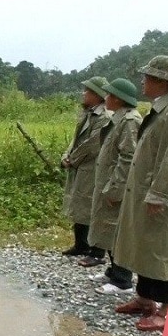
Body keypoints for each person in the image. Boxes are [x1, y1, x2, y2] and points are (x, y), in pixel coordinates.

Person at [112, 55, 168, 331]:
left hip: (162, 193)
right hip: (144, 190)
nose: (142, 82)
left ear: (161, 81)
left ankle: (167, 310)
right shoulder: (161, 109)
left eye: (147, 77)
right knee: (145, 244)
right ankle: (145, 299)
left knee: (163, 248)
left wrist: (160, 194)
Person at [85, 78, 142, 294]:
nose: (105, 98)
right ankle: (113, 270)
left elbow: (127, 158)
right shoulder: (118, 118)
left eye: (108, 95)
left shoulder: (129, 122)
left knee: (117, 230)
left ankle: (122, 280)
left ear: (117, 98)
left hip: (116, 185)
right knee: (108, 228)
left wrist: (116, 188)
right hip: (108, 182)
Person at [60, 76, 112, 259]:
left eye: (88, 91)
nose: (84, 94)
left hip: (92, 167)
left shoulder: (104, 117)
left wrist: (72, 159)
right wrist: (66, 155)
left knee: (91, 206)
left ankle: (96, 250)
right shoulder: (88, 114)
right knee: (79, 204)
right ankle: (81, 245)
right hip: (81, 166)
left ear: (98, 95)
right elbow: (76, 140)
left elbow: (92, 144)